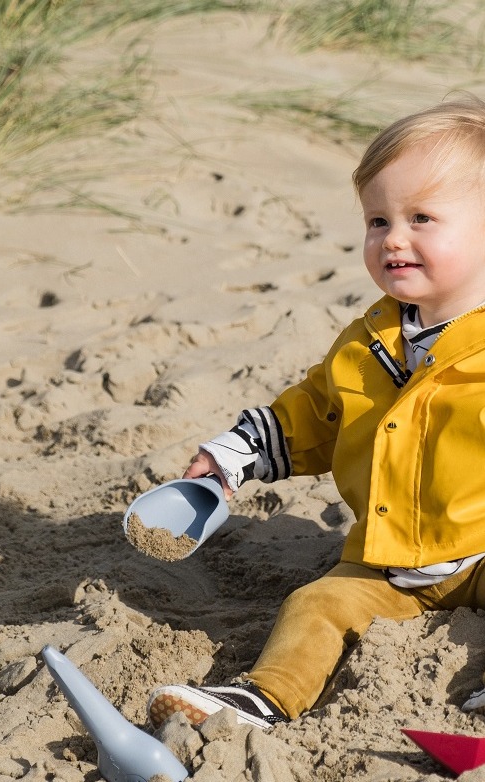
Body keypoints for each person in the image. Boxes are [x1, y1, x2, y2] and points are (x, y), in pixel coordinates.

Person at [147, 94, 485, 731]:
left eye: (422, 218)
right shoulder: (367, 345)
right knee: (317, 602)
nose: (394, 240)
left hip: (482, 546)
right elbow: (314, 415)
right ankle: (263, 699)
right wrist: (233, 456)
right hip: (389, 562)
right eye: (378, 221)